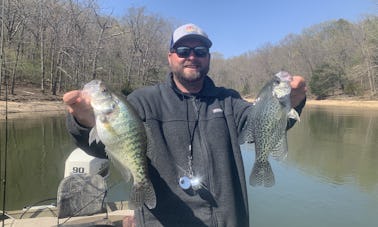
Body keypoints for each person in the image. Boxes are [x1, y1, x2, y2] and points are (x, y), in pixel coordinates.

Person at [63, 23, 307, 227]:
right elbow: (103, 147)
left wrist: (289, 104)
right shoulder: (142, 101)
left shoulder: (229, 100)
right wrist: (83, 122)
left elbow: (259, 128)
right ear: (170, 57)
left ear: (208, 58)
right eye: (183, 50)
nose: (192, 56)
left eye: (200, 51)